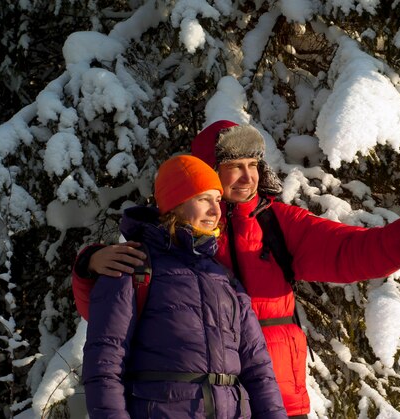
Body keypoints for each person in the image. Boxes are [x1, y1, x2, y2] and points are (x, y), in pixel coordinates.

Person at [74, 121, 400, 418]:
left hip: (279, 397)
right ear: (205, 172)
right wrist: (89, 267)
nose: (247, 176)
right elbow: (113, 325)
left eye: (253, 165)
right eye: (234, 166)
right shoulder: (169, 237)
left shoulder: (278, 224)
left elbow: (352, 251)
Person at [82, 154, 287, 419]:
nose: (215, 211)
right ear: (175, 204)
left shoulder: (224, 278)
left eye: (217, 200)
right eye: (203, 199)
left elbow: (258, 370)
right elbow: (104, 366)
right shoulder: (133, 266)